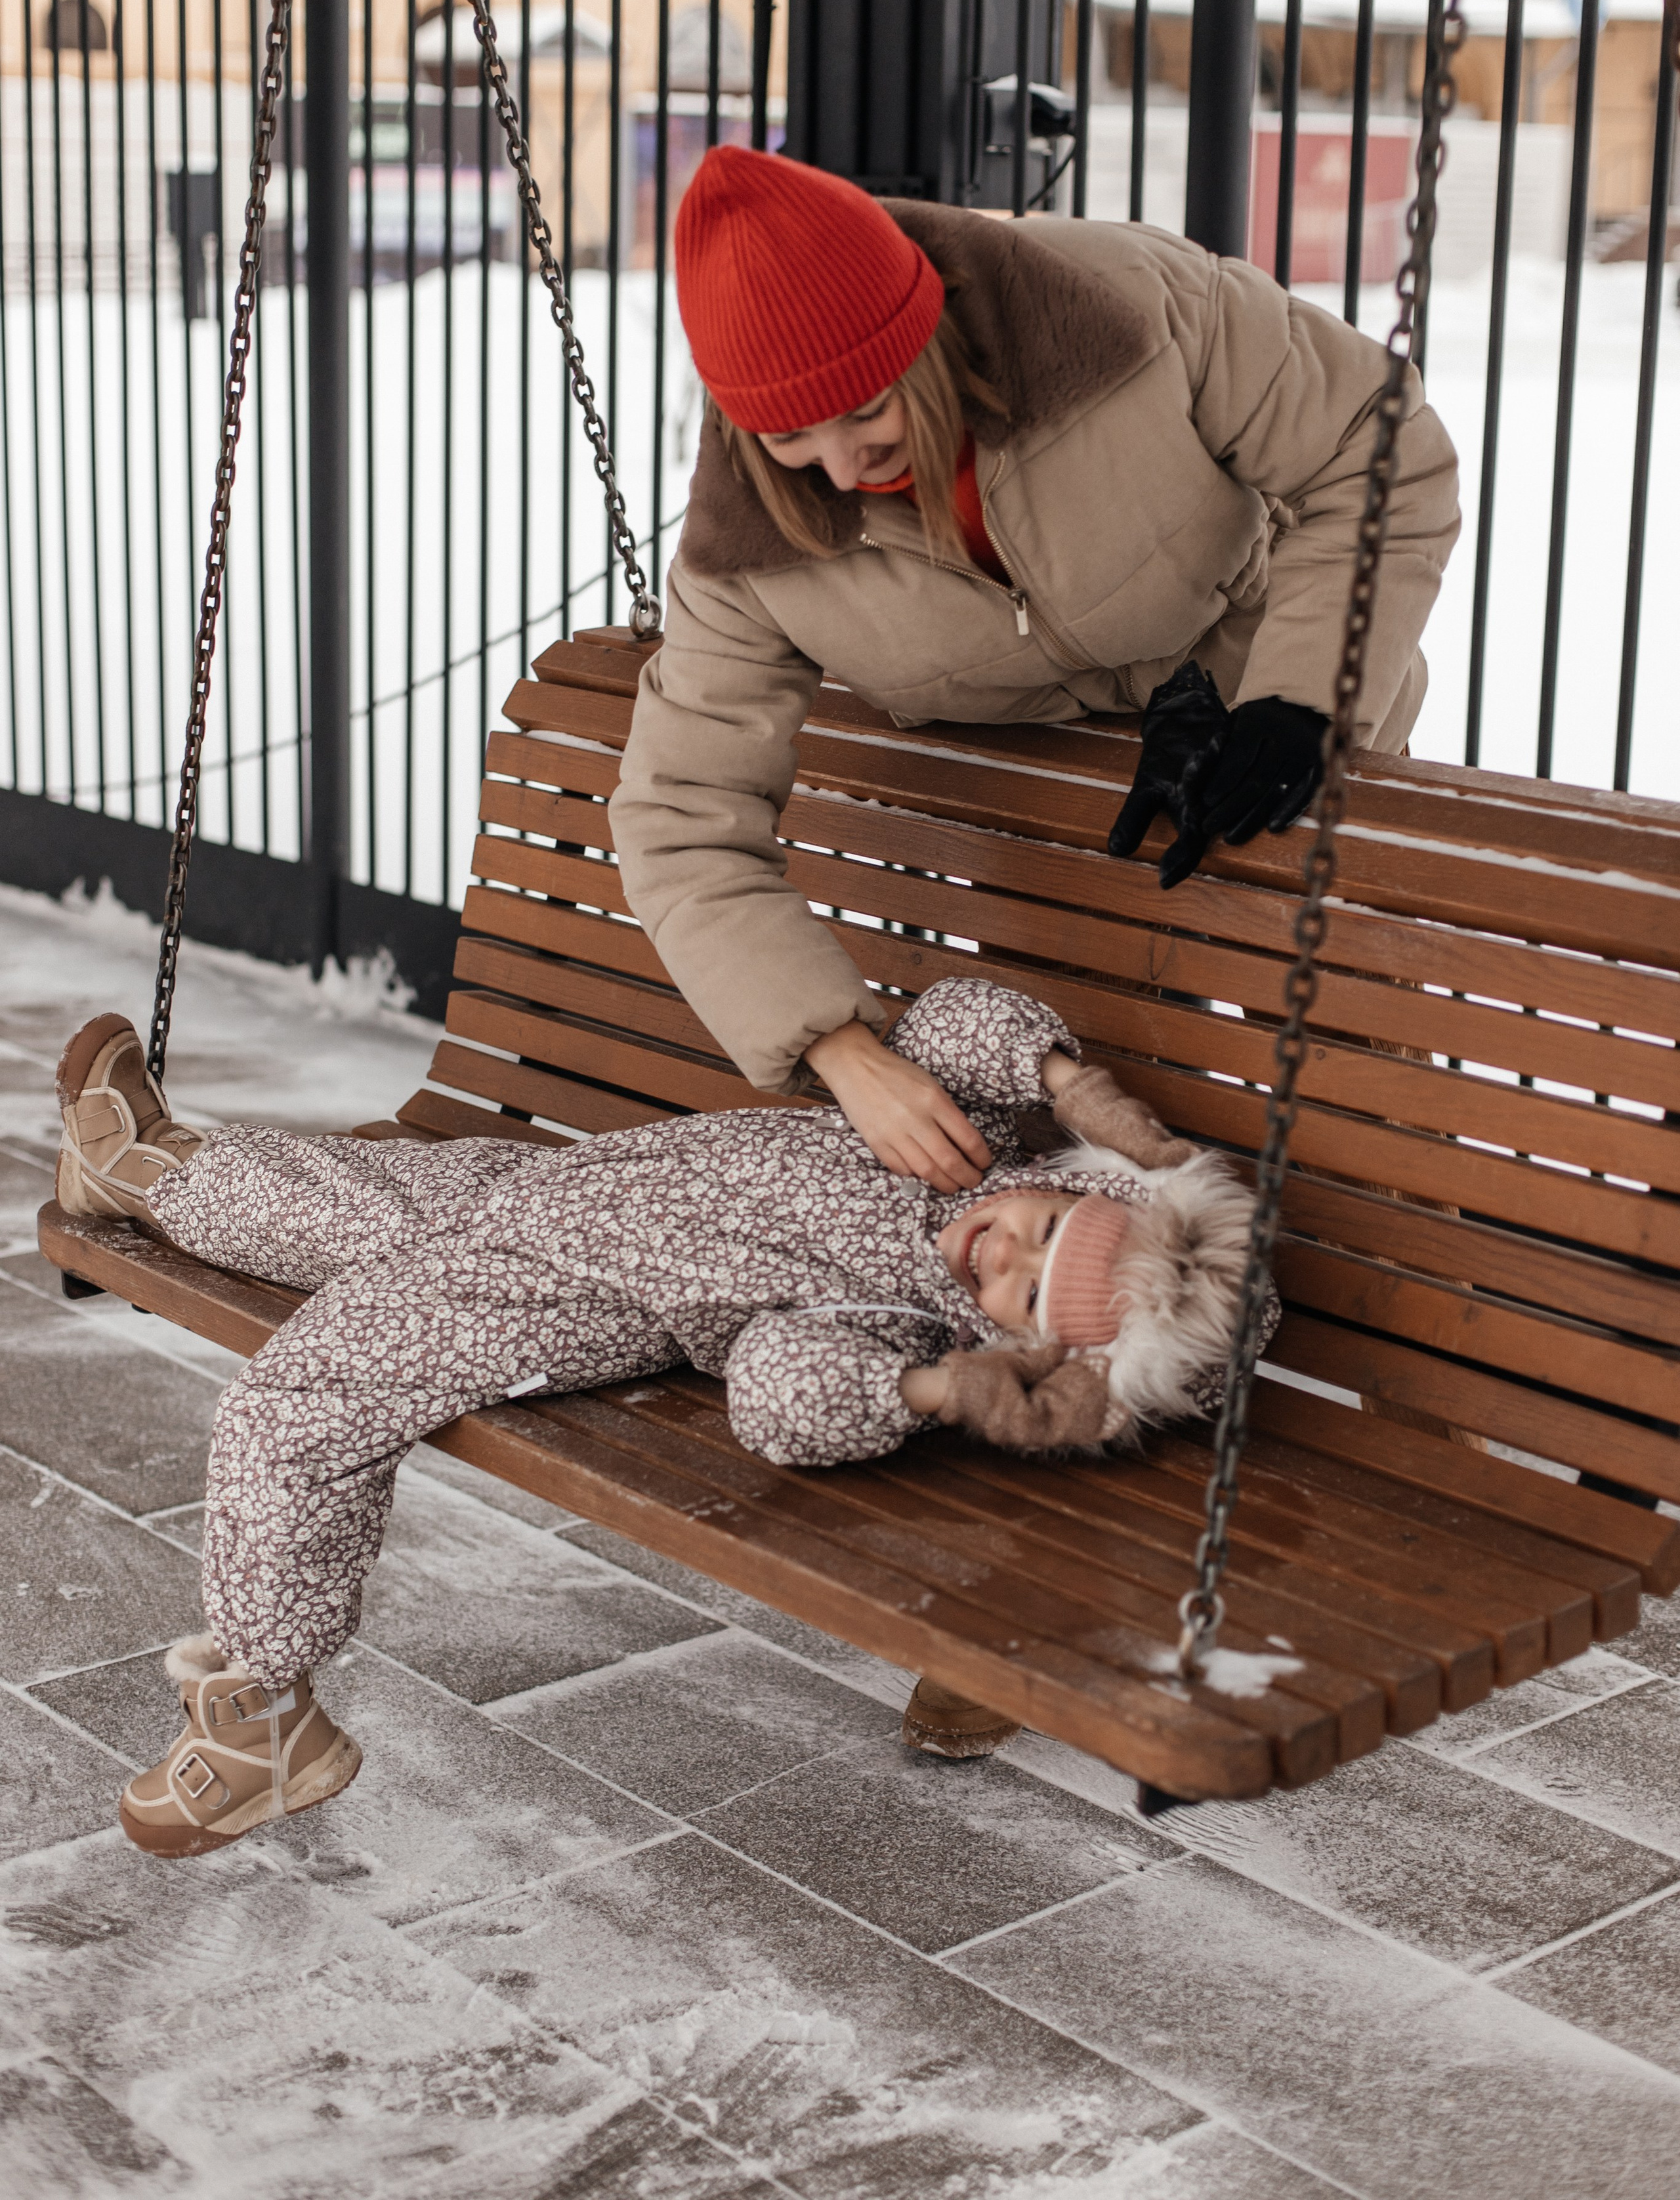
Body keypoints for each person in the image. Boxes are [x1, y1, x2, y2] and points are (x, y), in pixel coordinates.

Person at [52, 977, 1271, 1855]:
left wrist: (940, 1390)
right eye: (1045, 1229)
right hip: (560, 1186)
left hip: (576, 1295)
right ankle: (150, 1175)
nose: (1001, 1252)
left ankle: (264, 1715)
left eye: (1023, 1294)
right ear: (1069, 1184)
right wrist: (1075, 1084)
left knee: (310, 1396)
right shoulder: (983, 1145)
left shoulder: (909, 1327)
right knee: (358, 1196)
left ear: (1019, 1344)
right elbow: (949, 1021)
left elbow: (780, 1397)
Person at [610, 146, 1459, 1193]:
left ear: (925, 336)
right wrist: (839, 1048)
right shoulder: (750, 541)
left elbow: (1376, 450)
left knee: (1367, 1085)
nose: (838, 466)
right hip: (1048, 849)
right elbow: (682, 814)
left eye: (866, 410)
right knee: (1148, 1118)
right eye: (790, 433)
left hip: (1262, 733)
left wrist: (1298, 703)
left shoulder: (1121, 309)